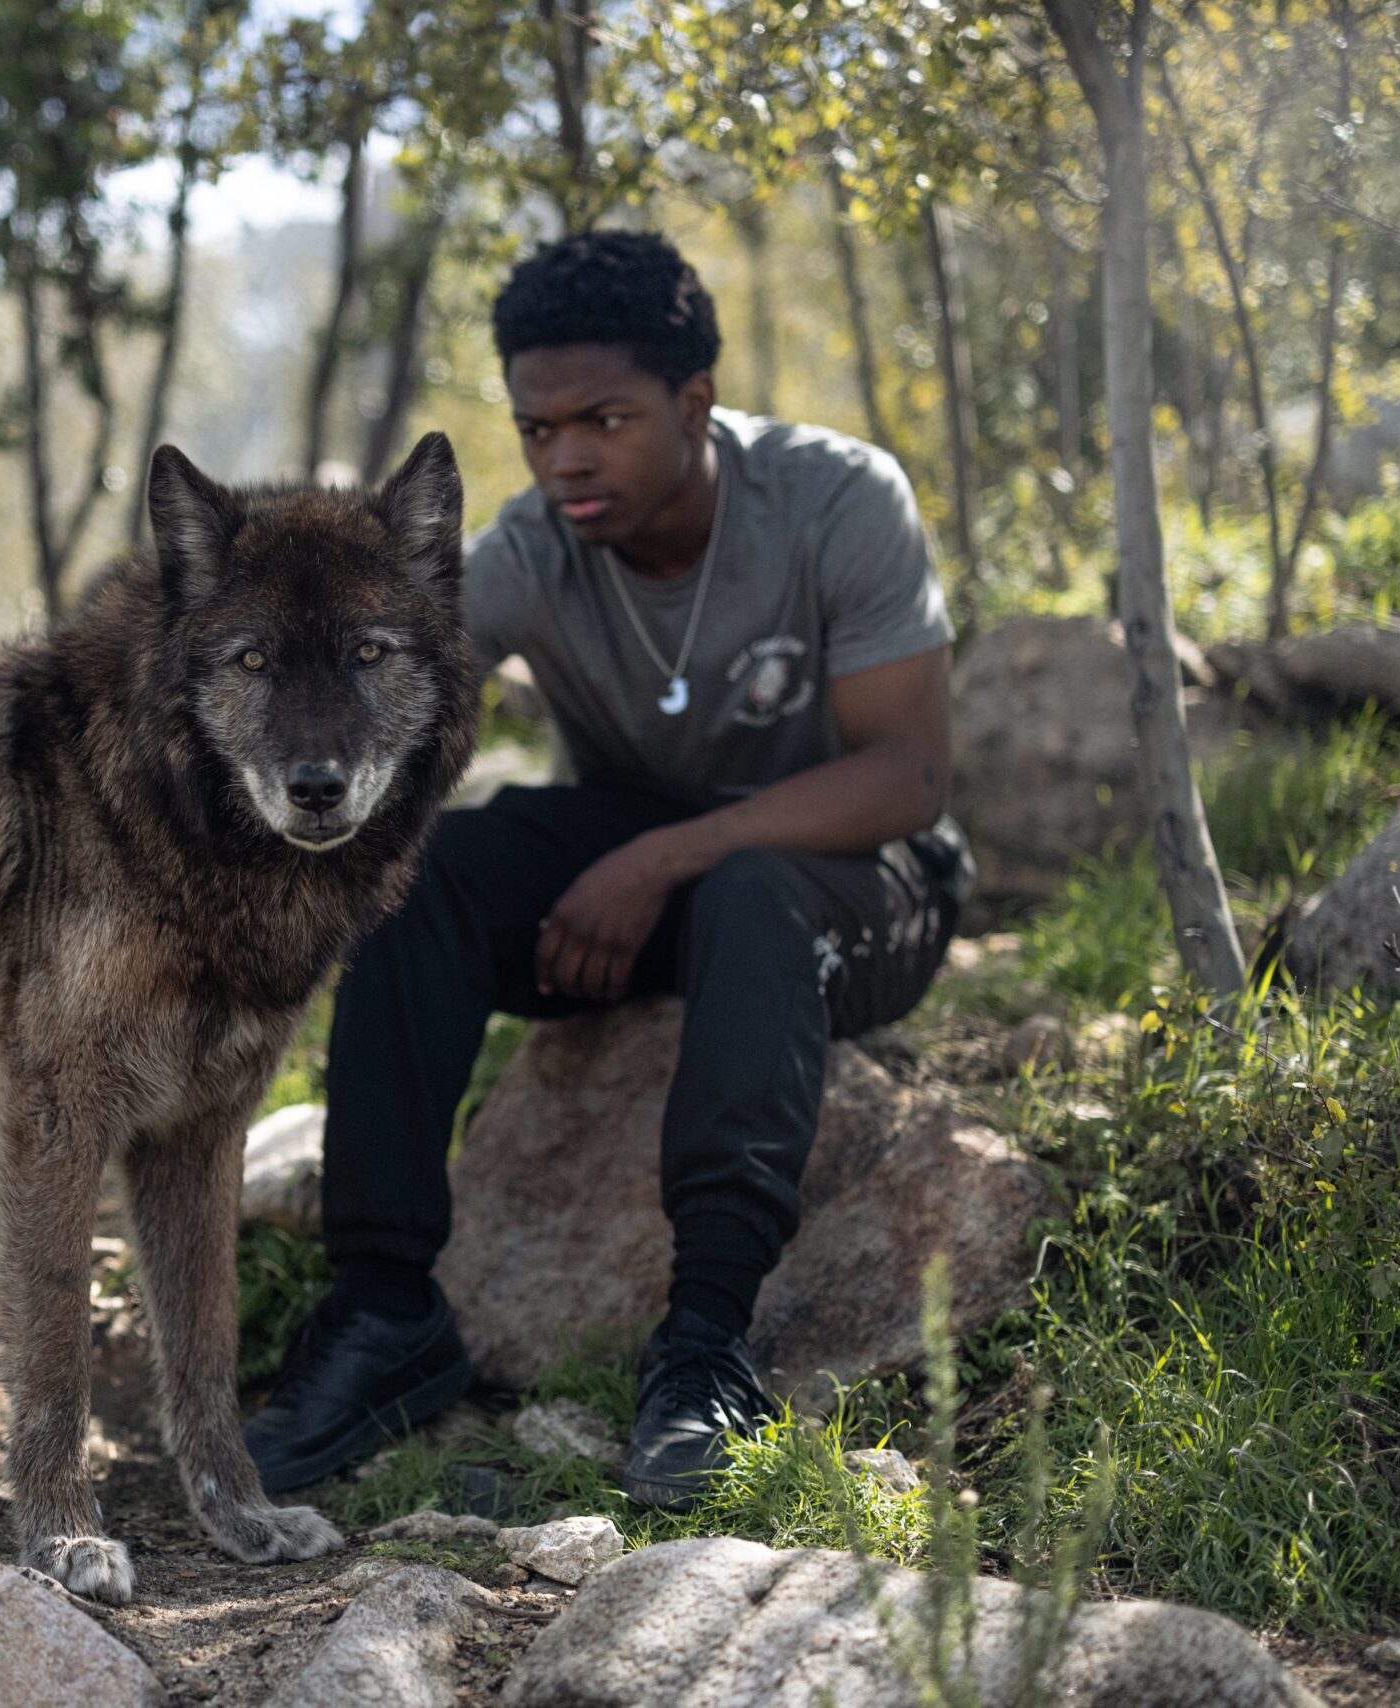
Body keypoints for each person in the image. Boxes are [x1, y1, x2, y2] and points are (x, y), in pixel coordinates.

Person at [242, 229, 971, 1510]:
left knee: (750, 889)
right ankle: (383, 1310)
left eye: (604, 421)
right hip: (645, 853)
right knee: (428, 868)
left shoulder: (835, 499)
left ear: (694, 402)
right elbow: (389, 692)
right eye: (536, 429)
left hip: (854, 870)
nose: (565, 457)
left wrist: (662, 858)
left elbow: (907, 775)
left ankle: (703, 1349)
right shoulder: (529, 551)